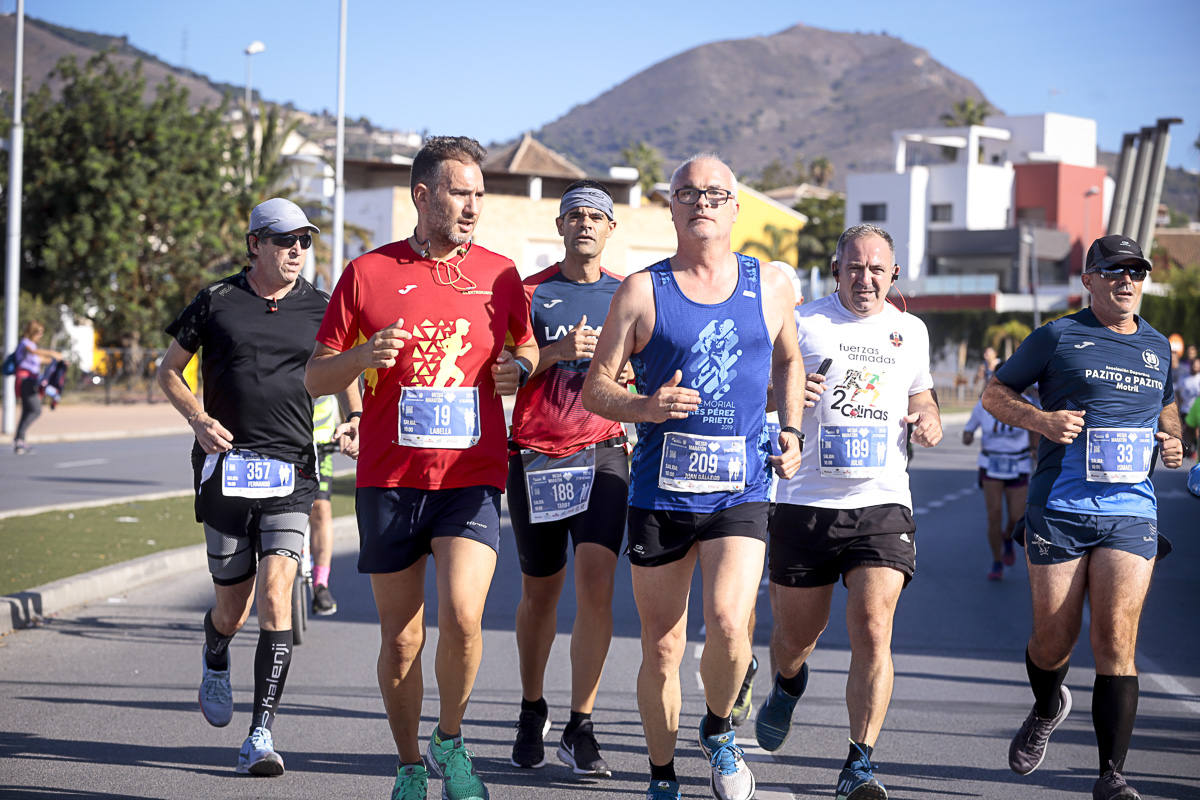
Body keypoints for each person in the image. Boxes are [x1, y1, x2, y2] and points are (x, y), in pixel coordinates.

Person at [304, 135, 538, 800]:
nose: (472, 207)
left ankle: (451, 738)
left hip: (471, 475)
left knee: (465, 616)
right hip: (389, 479)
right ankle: (409, 762)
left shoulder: (499, 273)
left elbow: (527, 349)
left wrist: (517, 368)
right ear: (423, 195)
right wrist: (363, 356)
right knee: (401, 639)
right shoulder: (367, 273)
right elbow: (315, 376)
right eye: (460, 193)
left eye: (479, 196)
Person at [582, 153, 804, 800]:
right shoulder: (642, 291)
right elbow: (597, 389)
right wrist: (644, 408)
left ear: (735, 207)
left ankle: (718, 729)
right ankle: (661, 776)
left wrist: (788, 431)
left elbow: (790, 362)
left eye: (715, 193)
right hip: (660, 493)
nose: (701, 201)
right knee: (662, 647)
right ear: (671, 206)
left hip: (741, 490)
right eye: (688, 193)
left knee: (731, 625)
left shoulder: (769, 287)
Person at [982, 234, 1184, 800]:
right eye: (1114, 271)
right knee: (1053, 640)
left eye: (1136, 271)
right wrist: (1042, 423)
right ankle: (1047, 706)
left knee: (1116, 637)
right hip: (1060, 508)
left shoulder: (1156, 346)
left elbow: (1165, 404)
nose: (1127, 281)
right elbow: (994, 393)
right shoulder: (1057, 336)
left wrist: (1173, 438)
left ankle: (1111, 776)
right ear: (1089, 280)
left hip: (1130, 511)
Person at [156, 197, 346, 776]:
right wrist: (197, 416)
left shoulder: (321, 305)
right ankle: (215, 653)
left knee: (275, 594)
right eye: (286, 240)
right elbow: (168, 370)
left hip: (292, 470)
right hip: (227, 470)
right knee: (232, 608)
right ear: (255, 244)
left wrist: (355, 414)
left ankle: (260, 735)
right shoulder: (215, 301)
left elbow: (345, 366)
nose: (297, 251)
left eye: (304, 241)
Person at [756, 223, 942, 800]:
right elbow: (757, 389)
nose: (866, 278)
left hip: (881, 501)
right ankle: (788, 684)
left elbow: (920, 393)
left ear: (893, 275)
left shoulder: (909, 330)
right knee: (795, 636)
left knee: (872, 626)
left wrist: (929, 416)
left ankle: (859, 763)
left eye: (877, 269)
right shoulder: (804, 321)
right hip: (806, 502)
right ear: (837, 271)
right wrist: (786, 396)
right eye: (854, 268)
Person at [506, 179, 629, 776]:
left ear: (610, 230)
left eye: (595, 217)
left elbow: (653, 365)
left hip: (603, 449)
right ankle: (533, 707)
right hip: (535, 453)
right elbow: (501, 375)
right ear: (558, 227)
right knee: (539, 594)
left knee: (597, 585)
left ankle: (581, 723)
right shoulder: (530, 293)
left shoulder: (629, 295)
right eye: (574, 215)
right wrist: (554, 353)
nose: (584, 223)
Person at [962, 382, 1039, 580]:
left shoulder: (1026, 403)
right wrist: (968, 435)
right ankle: (997, 561)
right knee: (994, 514)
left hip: (1018, 462)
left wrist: (1035, 449)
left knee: (1017, 516)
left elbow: (1035, 430)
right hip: (991, 463)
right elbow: (969, 430)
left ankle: (1007, 537)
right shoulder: (984, 404)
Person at [308, 392, 362, 615]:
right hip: (282, 439)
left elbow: (343, 382)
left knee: (321, 508)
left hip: (321, 442)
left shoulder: (321, 354)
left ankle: (321, 584)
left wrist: (350, 423)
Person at [12, 320, 64, 454]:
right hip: (25, 381)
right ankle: (19, 440)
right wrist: (51, 353)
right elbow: (34, 352)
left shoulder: (32, 346)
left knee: (26, 411)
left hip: (31, 380)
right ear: (32, 332)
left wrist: (58, 361)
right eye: (39, 333)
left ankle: (20, 441)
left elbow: (40, 359)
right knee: (36, 410)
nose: (40, 335)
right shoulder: (25, 343)